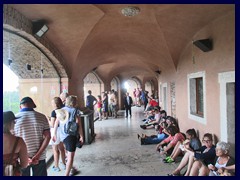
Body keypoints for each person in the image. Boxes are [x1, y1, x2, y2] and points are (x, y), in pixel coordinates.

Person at [14, 97, 51, 176]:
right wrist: (37, 155)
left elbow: (13, 141)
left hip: (21, 158)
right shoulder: (42, 117)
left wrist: (25, 157)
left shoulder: (14, 119)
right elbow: (48, 137)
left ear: (20, 106)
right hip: (39, 157)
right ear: (33, 105)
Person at [52, 95, 84, 176]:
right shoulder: (75, 111)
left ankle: (70, 169)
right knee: (70, 157)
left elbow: (56, 122)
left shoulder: (61, 110)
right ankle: (66, 174)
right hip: (71, 136)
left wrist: (54, 134)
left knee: (67, 152)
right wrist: (81, 136)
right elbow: (79, 125)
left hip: (63, 136)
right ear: (74, 102)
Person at [3, 111, 28, 176]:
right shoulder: (18, 141)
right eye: (14, 121)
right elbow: (24, 164)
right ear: (9, 123)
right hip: (11, 173)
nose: (14, 123)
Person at [48, 97, 66, 172]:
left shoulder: (54, 112)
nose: (52, 104)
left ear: (55, 104)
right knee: (62, 149)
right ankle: (64, 164)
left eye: (52, 103)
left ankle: (56, 166)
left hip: (55, 131)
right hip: (61, 131)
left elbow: (52, 124)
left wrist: (48, 119)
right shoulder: (63, 110)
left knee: (55, 150)